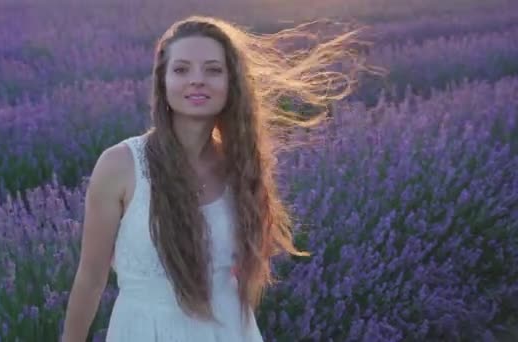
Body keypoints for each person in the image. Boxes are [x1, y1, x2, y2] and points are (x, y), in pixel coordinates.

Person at [61, 15, 364, 342]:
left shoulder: (240, 165)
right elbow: (91, 277)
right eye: (181, 69)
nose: (197, 80)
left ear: (232, 82)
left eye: (213, 69)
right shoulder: (121, 165)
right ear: (161, 81)